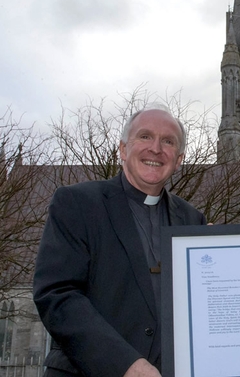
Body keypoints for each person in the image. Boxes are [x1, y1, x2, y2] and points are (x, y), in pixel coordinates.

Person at [33, 104, 207, 377]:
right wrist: (124, 364)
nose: (156, 149)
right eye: (145, 136)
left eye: (168, 141)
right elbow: (57, 295)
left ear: (179, 158)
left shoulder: (193, 220)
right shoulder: (77, 203)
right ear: (124, 149)